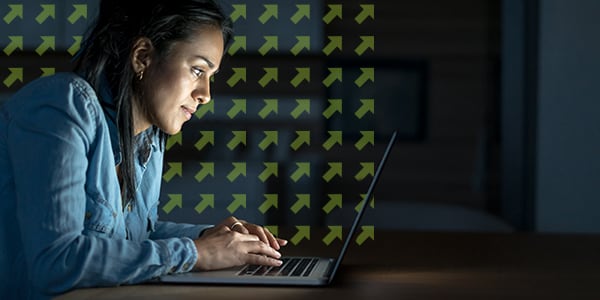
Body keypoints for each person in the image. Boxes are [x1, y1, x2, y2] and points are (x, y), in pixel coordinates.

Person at [0, 0, 286, 298]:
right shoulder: (62, 107)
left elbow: (131, 238)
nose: (205, 95)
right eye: (198, 70)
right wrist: (196, 253)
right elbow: (57, 262)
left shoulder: (147, 135)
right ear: (143, 56)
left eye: (211, 77)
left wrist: (211, 239)